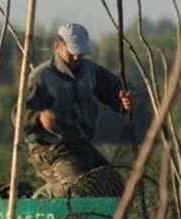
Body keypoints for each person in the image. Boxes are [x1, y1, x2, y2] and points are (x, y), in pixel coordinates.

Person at [18, 22, 133, 198]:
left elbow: (116, 88)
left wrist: (123, 97)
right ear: (58, 46)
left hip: (80, 145)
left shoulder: (90, 70)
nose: (77, 58)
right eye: (72, 53)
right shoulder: (41, 77)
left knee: (114, 186)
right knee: (79, 188)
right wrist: (39, 117)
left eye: (80, 53)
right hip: (50, 149)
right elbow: (19, 114)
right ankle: (43, 196)